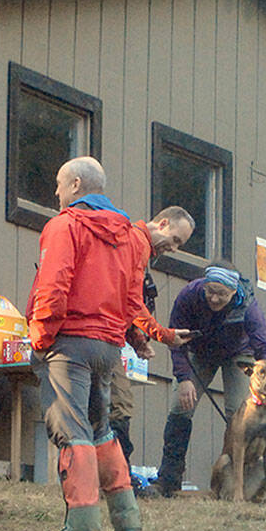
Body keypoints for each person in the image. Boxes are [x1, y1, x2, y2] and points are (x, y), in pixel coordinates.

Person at [26, 156, 151, 531]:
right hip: (108, 349)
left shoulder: (64, 226)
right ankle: (127, 521)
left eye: (60, 185)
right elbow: (133, 299)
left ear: (76, 184)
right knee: (102, 431)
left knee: (74, 434)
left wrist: (40, 338)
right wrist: (130, 337)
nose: (56, 193)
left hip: (70, 343)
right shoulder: (130, 236)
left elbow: (54, 287)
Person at [154, 262, 266, 497]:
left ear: (233, 292)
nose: (214, 298)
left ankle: (234, 484)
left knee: (239, 414)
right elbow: (175, 338)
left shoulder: (248, 307)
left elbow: (264, 346)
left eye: (221, 294)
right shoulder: (189, 296)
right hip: (199, 352)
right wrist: (184, 378)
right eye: (210, 291)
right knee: (180, 409)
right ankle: (168, 480)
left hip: (238, 355)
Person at [109, 206, 197, 486]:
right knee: (119, 406)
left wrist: (136, 339)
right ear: (162, 223)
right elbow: (132, 302)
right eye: (175, 241)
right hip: (100, 339)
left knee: (113, 406)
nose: (173, 249)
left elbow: (119, 299)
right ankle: (119, 481)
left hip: (107, 336)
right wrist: (163, 335)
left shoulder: (133, 242)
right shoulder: (136, 243)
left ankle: (114, 478)